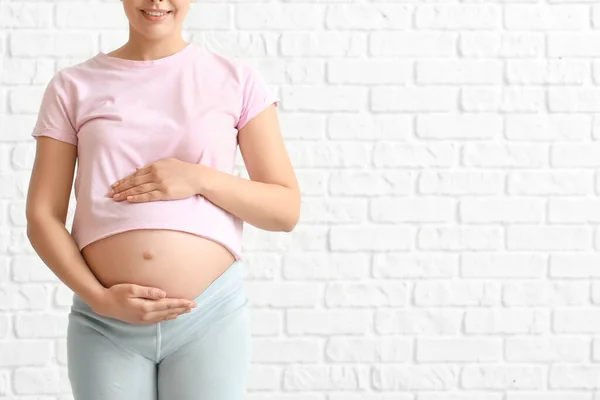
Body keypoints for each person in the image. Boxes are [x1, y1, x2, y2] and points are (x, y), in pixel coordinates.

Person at [24, 0, 301, 398]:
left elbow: (285, 210)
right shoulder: (72, 86)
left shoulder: (237, 80)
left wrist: (198, 178)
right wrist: (99, 298)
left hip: (210, 318)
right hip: (105, 323)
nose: (156, 2)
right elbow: (42, 216)